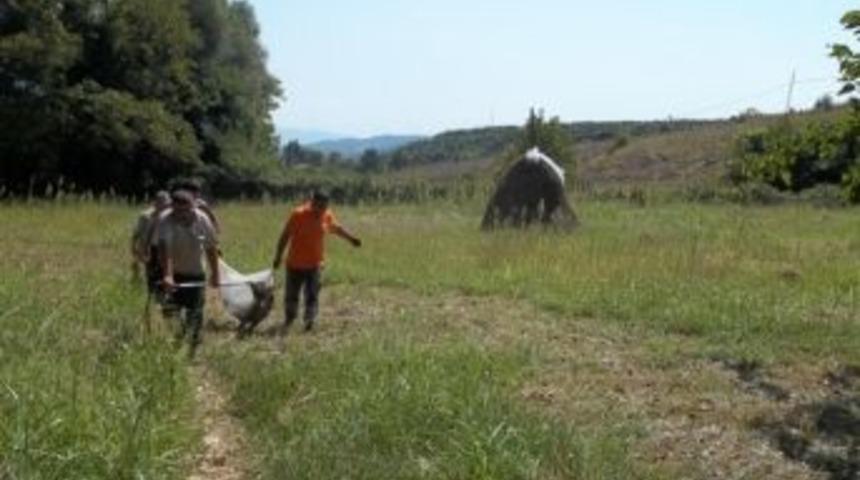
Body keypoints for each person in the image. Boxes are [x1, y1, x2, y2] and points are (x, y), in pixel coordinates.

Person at [271, 190, 361, 341]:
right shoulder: (298, 214)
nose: (322, 210)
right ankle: (289, 319)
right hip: (295, 264)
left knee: (312, 295)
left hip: (315, 265)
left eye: (325, 206)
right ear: (312, 202)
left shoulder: (326, 214)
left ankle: (309, 322)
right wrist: (278, 256)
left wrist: (351, 239)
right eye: (320, 206)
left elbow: (336, 228)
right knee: (292, 295)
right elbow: (285, 236)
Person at [158, 190, 220, 357]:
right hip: (173, 273)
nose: (183, 215)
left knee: (195, 312)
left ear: (193, 206)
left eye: (187, 210)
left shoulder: (202, 219)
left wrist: (215, 274)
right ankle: (177, 339)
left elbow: (210, 248)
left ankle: (192, 348)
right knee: (170, 312)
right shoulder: (165, 220)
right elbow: (166, 252)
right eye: (178, 211)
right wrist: (168, 276)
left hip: (195, 272)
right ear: (172, 208)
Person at [131, 191, 171, 297]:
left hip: (167, 248)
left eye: (166, 203)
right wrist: (135, 248)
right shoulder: (146, 216)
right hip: (152, 247)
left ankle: (163, 295)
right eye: (161, 202)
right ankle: (152, 293)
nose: (163, 205)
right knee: (151, 271)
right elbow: (137, 233)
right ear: (155, 203)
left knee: (165, 271)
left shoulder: (170, 215)